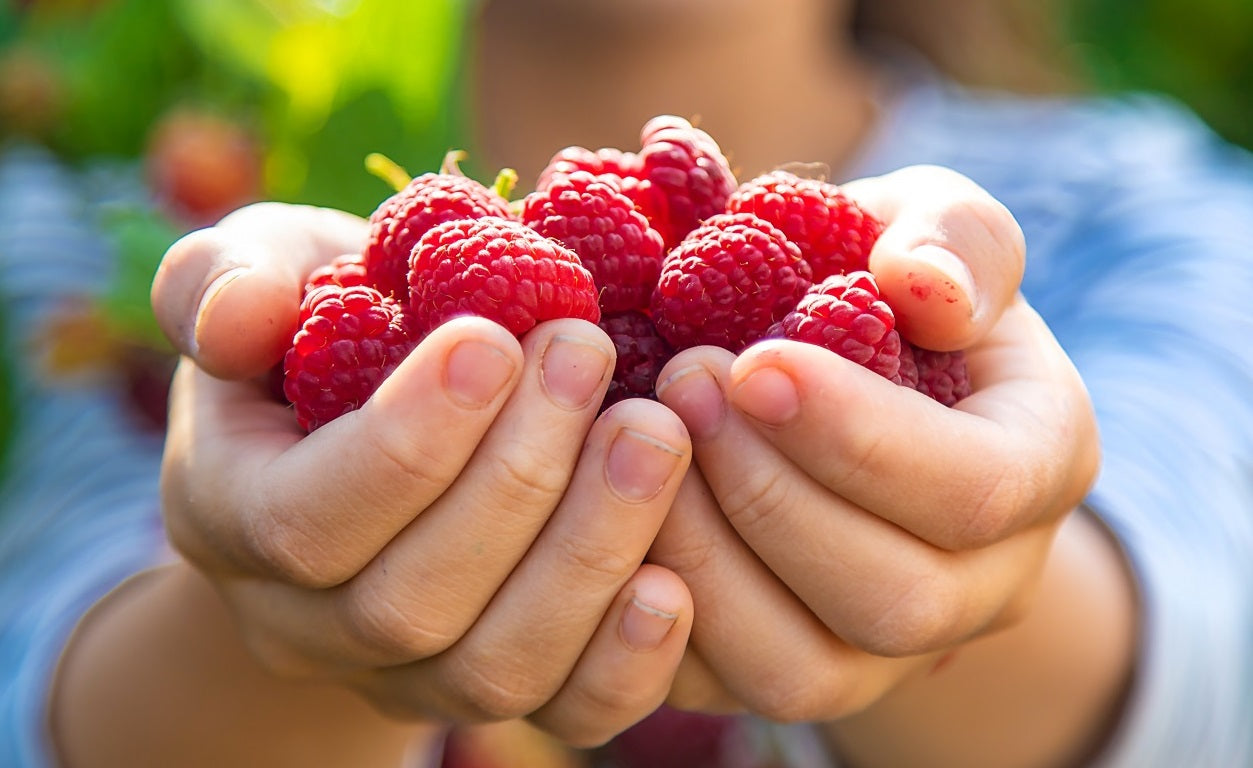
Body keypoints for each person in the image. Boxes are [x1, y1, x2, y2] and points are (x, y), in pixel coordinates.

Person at [3, 1, 1251, 766]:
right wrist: (270, 600)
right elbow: (33, 683)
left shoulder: (1150, 216)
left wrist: (980, 573)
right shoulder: (106, 242)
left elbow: (1207, 681)